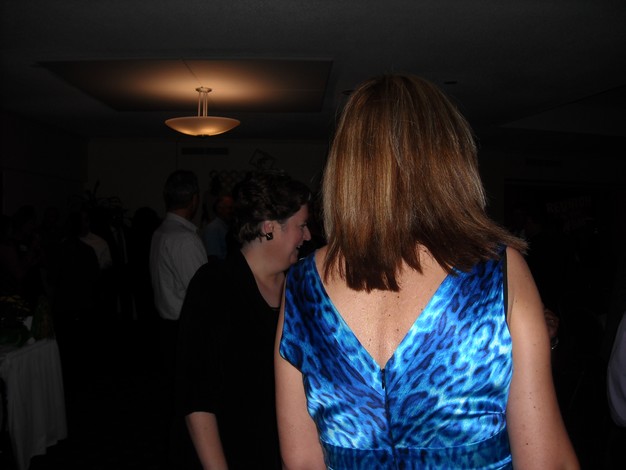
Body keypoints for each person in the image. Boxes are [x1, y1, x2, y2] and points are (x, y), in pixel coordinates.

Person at [275, 74, 579, 469]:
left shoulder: (302, 286)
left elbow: (301, 461)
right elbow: (545, 461)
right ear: (449, 159)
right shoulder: (496, 272)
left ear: (346, 167)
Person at [172, 171, 311, 469]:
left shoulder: (301, 288)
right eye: (301, 226)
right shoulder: (215, 285)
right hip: (231, 454)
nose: (308, 235)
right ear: (270, 228)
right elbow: (196, 397)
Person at [150, 170, 207, 392]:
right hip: (182, 328)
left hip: (167, 325)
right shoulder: (184, 239)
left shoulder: (162, 231)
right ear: (194, 199)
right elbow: (202, 292)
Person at [201, 194, 235, 260]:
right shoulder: (213, 229)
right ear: (219, 209)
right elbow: (213, 258)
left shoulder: (227, 226)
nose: (233, 211)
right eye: (230, 208)